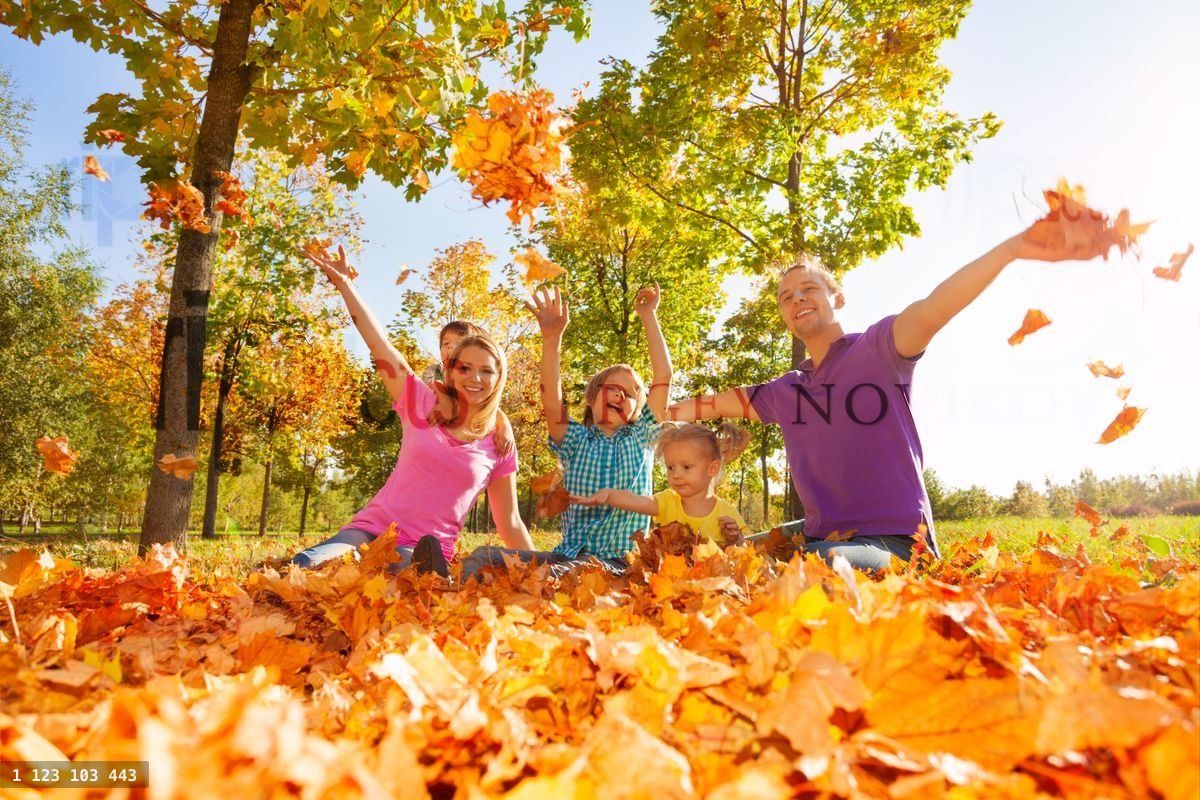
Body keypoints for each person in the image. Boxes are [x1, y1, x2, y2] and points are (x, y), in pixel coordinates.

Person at [668, 222, 1114, 571]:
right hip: (818, 534)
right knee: (730, 557)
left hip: (896, 541)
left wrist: (1014, 247)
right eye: (786, 297)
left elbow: (939, 303)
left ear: (836, 297)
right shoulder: (786, 391)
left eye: (809, 289)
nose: (797, 299)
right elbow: (710, 403)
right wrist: (661, 407)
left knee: (820, 567)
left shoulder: (881, 348)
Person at [291, 244, 533, 575]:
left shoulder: (499, 442)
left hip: (421, 548)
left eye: (486, 370)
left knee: (406, 572)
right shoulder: (420, 401)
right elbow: (380, 346)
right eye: (465, 368)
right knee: (307, 565)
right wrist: (346, 286)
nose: (475, 378)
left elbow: (510, 521)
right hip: (369, 533)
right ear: (450, 371)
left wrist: (538, 572)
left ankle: (424, 570)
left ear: (498, 377)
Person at [461, 283, 673, 580]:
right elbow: (551, 400)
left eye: (629, 393)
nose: (620, 396)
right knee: (484, 556)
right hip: (567, 554)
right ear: (592, 397)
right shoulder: (575, 439)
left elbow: (663, 375)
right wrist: (552, 338)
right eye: (612, 389)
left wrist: (649, 315)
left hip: (618, 564)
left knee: (565, 575)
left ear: (639, 408)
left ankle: (536, 587)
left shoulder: (642, 436)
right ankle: (454, 585)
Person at [569, 422, 752, 545]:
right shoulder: (668, 501)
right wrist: (609, 494)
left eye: (686, 467)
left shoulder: (727, 514)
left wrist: (735, 538)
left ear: (712, 469)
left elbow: (743, 552)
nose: (676, 475)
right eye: (670, 467)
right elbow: (637, 501)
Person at [424, 320, 514, 456]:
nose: (450, 348)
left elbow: (492, 409)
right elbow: (428, 385)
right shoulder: (436, 371)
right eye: (446, 343)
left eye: (459, 343)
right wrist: (442, 394)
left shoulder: (474, 384)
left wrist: (505, 427)